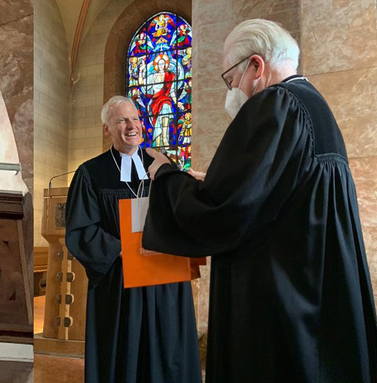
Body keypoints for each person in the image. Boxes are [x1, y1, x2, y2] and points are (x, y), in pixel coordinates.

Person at [143, 19, 377, 382]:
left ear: (256, 65)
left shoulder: (275, 103)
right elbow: (268, 192)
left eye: (229, 79)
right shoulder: (313, 104)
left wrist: (166, 176)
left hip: (280, 306)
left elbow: (223, 213)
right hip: (317, 300)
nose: (231, 90)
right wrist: (218, 182)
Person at [65, 96, 201, 383]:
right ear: (107, 129)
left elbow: (182, 209)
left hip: (165, 278)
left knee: (167, 351)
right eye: (121, 120)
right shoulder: (91, 173)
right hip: (121, 282)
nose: (132, 126)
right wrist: (122, 249)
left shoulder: (162, 164)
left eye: (136, 119)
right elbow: (80, 230)